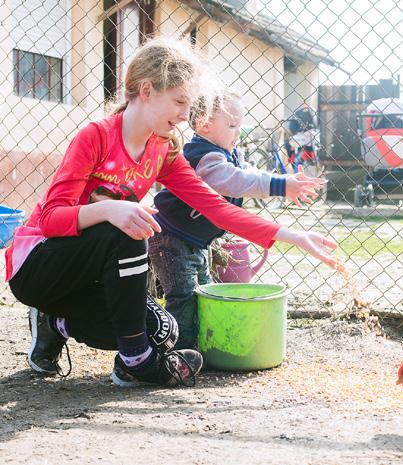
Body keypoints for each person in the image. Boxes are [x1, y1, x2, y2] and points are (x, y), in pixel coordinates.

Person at [5, 37, 337, 388]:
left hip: (87, 281)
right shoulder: (97, 137)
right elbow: (51, 218)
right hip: (38, 266)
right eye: (179, 102)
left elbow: (217, 208)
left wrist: (292, 235)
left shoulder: (162, 150)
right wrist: (110, 209)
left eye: (189, 104)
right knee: (130, 225)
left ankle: (55, 324)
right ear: (146, 90)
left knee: (164, 330)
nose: (185, 115)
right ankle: (138, 362)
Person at [149, 83, 324, 350]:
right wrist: (279, 186)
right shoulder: (203, 156)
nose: (238, 132)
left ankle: (199, 346)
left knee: (204, 291)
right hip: (171, 239)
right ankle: (178, 352)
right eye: (232, 125)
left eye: (240, 125)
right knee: (183, 297)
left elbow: (248, 171)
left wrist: (284, 179)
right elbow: (234, 180)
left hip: (194, 240)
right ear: (204, 124)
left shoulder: (228, 151)